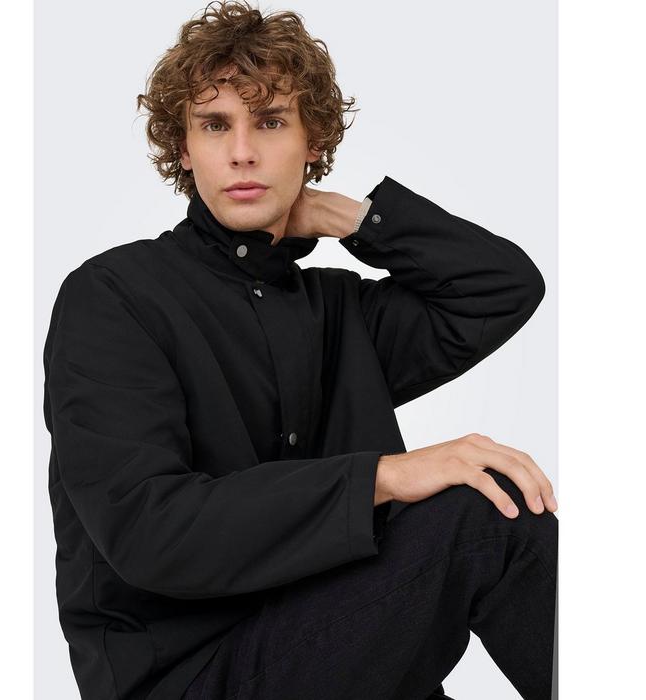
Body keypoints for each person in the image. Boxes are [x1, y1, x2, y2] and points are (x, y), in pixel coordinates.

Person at [42, 1, 558, 698]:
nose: (242, 152)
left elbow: (502, 288)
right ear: (183, 148)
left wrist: (354, 218)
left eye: (271, 122)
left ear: (312, 141)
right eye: (214, 124)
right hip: (195, 675)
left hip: (337, 641)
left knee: (503, 501)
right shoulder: (113, 298)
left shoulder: (338, 310)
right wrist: (383, 477)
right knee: (480, 516)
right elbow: (150, 531)